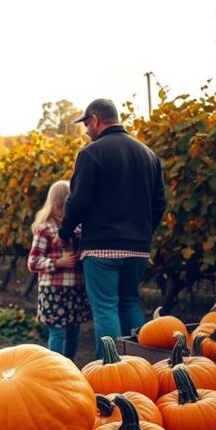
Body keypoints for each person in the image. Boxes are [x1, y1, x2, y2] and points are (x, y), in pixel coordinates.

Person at [57, 98, 166, 359]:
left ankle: (111, 366)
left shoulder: (91, 153)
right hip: (137, 248)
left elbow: (78, 200)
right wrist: (143, 233)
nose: (85, 131)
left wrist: (65, 232)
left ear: (95, 119)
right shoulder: (149, 155)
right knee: (130, 302)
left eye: (86, 124)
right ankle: (141, 363)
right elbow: (159, 202)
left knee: (105, 307)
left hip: (102, 246)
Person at [27, 180, 91, 359]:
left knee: (73, 330)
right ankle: (55, 369)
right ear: (56, 203)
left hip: (76, 288)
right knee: (58, 332)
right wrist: (57, 263)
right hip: (53, 289)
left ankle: (68, 366)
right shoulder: (45, 228)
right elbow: (32, 262)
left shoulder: (77, 229)